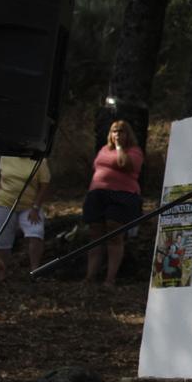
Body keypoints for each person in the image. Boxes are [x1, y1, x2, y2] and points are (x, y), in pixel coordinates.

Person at [83, 119, 144, 286]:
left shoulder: (134, 151)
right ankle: (90, 276)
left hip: (122, 195)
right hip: (97, 194)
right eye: (114, 131)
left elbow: (124, 163)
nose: (117, 135)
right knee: (95, 234)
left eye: (121, 131)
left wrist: (118, 147)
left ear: (127, 134)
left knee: (114, 232)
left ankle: (110, 278)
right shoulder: (103, 149)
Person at [0, 156, 53, 280]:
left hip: (30, 205)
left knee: (36, 233)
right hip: (4, 203)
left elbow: (45, 184)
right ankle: (1, 274)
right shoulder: (4, 157)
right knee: (1, 240)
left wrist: (36, 207)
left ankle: (35, 271)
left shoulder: (39, 160)